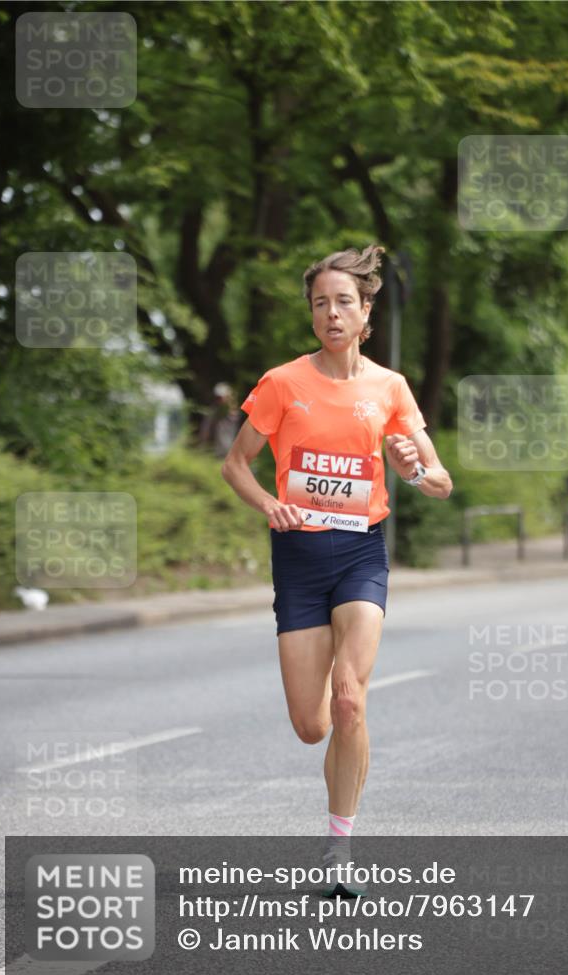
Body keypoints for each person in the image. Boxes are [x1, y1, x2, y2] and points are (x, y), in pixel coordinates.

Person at [221, 245, 452, 895]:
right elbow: (235, 464)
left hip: (359, 553)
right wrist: (270, 504)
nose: (331, 312)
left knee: (349, 698)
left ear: (365, 312)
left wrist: (411, 466)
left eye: (343, 301)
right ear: (312, 314)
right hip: (297, 559)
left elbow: (439, 480)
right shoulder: (281, 384)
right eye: (320, 302)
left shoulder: (389, 388)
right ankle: (333, 748)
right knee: (311, 725)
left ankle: (339, 847)